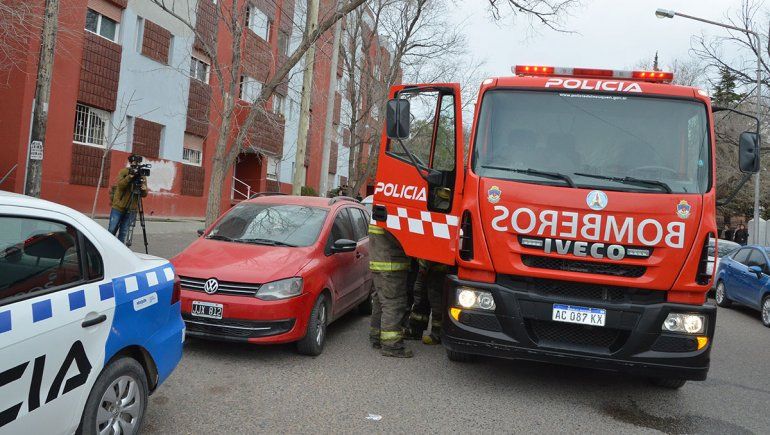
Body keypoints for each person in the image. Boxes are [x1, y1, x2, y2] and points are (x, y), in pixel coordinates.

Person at [368, 223, 413, 358]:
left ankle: (376, 337)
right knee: (393, 304)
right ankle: (391, 346)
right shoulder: (392, 216)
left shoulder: (379, 213)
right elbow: (401, 239)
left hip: (379, 265)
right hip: (391, 266)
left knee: (380, 302)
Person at [405, 259, 447, 345]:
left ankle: (437, 334)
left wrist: (424, 264)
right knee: (420, 295)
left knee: (436, 300)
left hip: (438, 268)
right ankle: (416, 330)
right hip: (426, 266)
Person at [108, 155, 147, 244]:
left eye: (138, 162)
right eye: (134, 162)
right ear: (130, 162)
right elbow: (120, 185)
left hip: (132, 209)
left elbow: (144, 194)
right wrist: (130, 177)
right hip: (119, 207)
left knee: (123, 232)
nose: (136, 164)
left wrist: (144, 189)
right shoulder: (124, 172)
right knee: (112, 229)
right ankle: (108, 246)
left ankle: (120, 251)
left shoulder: (142, 175)